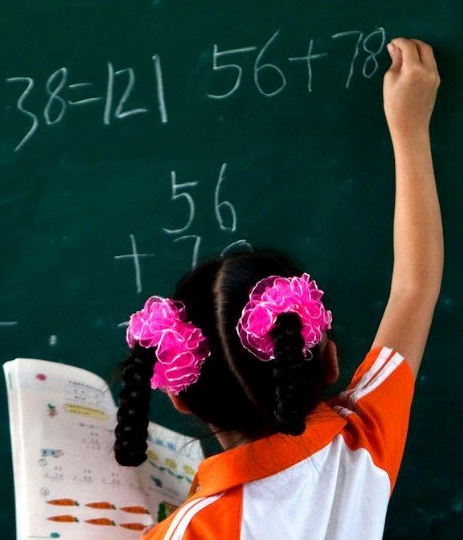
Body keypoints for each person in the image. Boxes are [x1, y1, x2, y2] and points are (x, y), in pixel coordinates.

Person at [113, 37, 443, 539]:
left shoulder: (185, 532)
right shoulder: (359, 445)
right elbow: (414, 288)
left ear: (179, 398)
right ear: (328, 360)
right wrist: (410, 128)